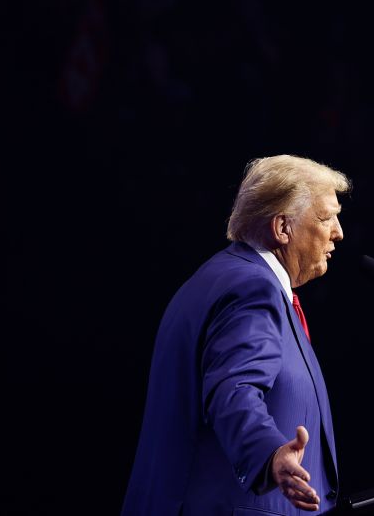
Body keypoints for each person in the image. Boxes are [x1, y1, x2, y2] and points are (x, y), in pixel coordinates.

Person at [122, 155, 350, 515]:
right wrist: (269, 454)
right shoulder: (251, 289)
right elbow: (233, 388)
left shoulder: (219, 278)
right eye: (325, 218)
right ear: (282, 228)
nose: (338, 232)